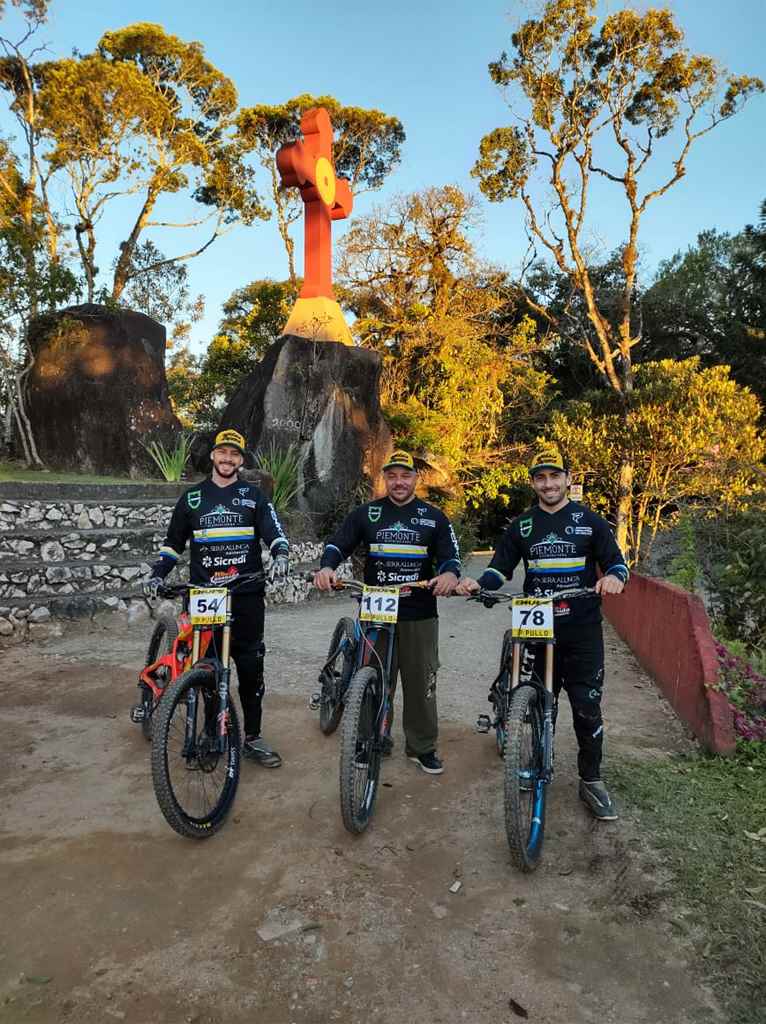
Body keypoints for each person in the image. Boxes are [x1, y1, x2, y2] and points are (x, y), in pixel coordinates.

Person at [456, 447, 628, 819]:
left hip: (581, 626)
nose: (548, 484)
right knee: (534, 702)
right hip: (535, 622)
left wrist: (613, 577)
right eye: (540, 477)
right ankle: (530, 757)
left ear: (568, 479)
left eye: (554, 476)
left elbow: (616, 562)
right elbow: (500, 568)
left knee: (586, 708)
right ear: (533, 483)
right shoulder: (523, 525)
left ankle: (591, 780)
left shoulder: (590, 521)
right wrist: (479, 583)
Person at [144, 428, 289, 768]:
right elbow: (172, 545)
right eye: (222, 452)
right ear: (213, 456)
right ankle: (212, 733)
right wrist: (157, 573)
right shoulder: (192, 499)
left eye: (234, 454)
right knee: (208, 669)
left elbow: (275, 534)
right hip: (204, 596)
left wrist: (281, 554)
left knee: (251, 668)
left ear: (241, 460)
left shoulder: (254, 498)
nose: (228, 459)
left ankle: (252, 736)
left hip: (246, 595)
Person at [313, 450, 461, 774]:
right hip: (376, 607)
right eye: (392, 475)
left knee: (421, 682)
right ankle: (369, 740)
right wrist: (327, 568)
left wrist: (450, 575)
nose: (398, 482)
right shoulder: (367, 514)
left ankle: (421, 747)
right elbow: (338, 545)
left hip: (419, 611)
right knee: (372, 678)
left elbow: (450, 558)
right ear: (385, 479)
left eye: (405, 475)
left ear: (415, 479)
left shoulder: (433, 517)